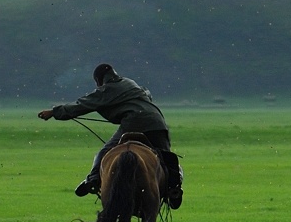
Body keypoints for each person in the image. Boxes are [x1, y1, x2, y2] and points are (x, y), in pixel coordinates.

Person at [38, 63, 183, 208]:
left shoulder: (108, 89)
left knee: (105, 152)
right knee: (167, 157)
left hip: (134, 122)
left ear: (99, 80)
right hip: (157, 122)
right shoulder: (130, 83)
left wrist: (54, 112)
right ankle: (175, 188)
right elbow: (147, 93)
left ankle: (93, 180)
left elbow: (83, 104)